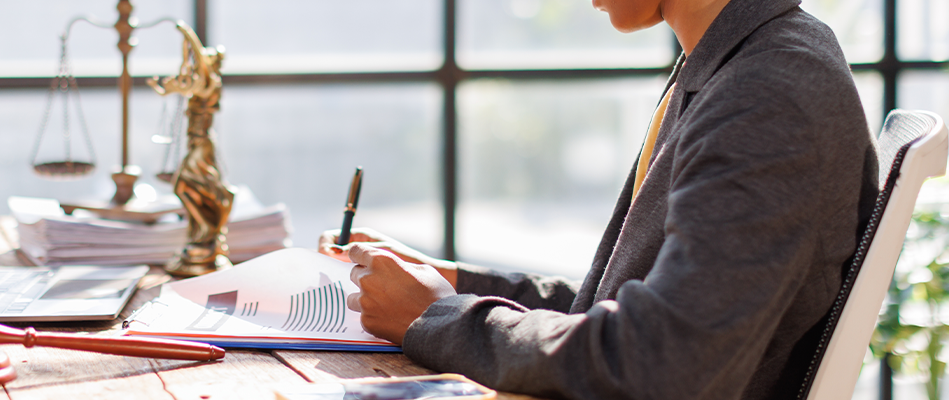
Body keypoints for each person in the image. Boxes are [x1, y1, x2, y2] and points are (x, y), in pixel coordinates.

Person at [317, 0, 880, 398]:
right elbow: (624, 307)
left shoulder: (767, 92)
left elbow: (661, 359)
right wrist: (456, 283)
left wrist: (437, 316)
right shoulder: (732, 61)